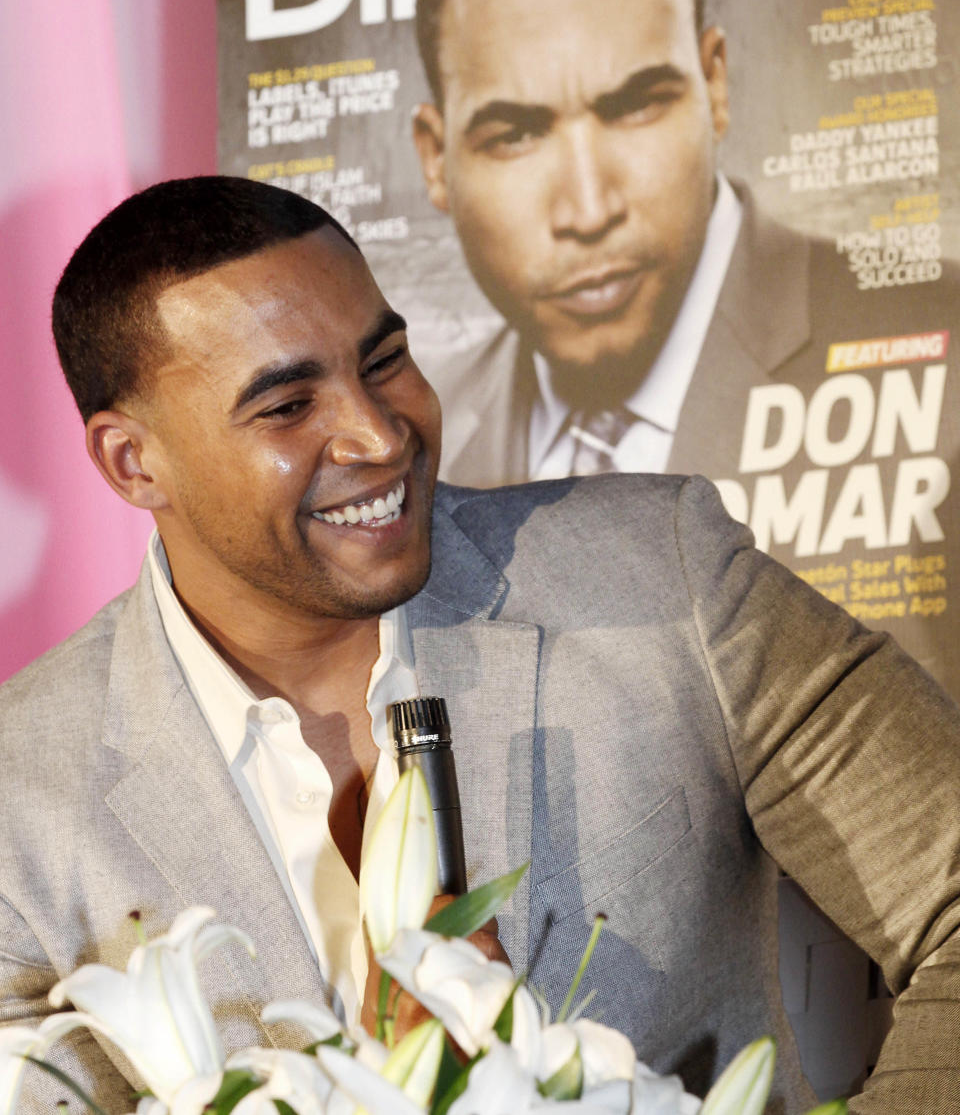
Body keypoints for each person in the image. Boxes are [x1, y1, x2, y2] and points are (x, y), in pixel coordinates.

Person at [3, 176, 960, 1113]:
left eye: (384, 362)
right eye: (288, 406)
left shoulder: (666, 574)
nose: (379, 435)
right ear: (135, 461)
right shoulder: (22, 796)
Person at [409, 0, 960, 696]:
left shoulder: (945, 356)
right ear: (437, 159)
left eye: (634, 105)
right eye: (514, 133)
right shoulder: (417, 448)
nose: (588, 208)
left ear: (716, 82)